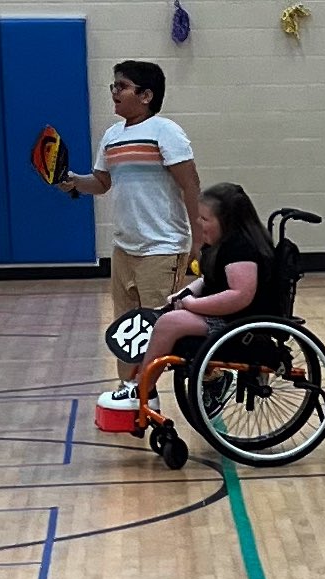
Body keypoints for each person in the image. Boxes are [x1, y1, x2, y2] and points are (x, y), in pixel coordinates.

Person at [58, 60, 201, 399]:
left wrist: (199, 240)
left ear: (146, 95)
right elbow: (102, 183)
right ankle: (132, 388)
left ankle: (208, 376)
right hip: (124, 248)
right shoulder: (111, 136)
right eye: (113, 86)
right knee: (127, 327)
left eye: (121, 86)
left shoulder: (166, 132)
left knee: (167, 325)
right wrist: (72, 181)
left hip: (163, 247)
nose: (114, 92)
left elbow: (190, 186)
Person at [96, 183, 274, 410]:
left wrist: (193, 305)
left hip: (242, 324)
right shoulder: (223, 244)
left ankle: (143, 389)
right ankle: (143, 387)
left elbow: (239, 296)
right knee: (169, 315)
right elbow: (211, 280)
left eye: (205, 219)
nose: (199, 223)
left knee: (170, 323)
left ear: (227, 220)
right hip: (230, 319)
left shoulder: (242, 249)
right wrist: (185, 294)